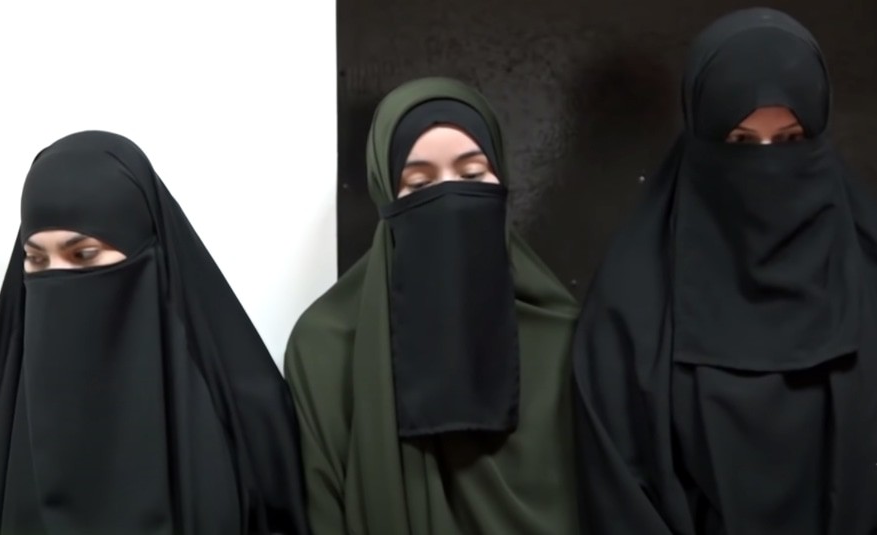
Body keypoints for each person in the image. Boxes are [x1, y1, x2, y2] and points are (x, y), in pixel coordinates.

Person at [571, 8, 877, 534]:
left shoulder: (870, 276)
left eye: (791, 139)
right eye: (740, 141)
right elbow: (620, 498)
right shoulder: (629, 313)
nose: (768, 164)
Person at [0, 131, 309, 535]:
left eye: (84, 254)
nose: (56, 279)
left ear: (147, 248)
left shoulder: (248, 413)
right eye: (36, 259)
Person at [285, 77, 581, 534]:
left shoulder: (567, 338)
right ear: (385, 195)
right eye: (419, 183)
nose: (450, 198)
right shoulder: (326, 348)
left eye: (472, 176)